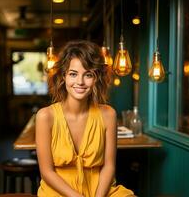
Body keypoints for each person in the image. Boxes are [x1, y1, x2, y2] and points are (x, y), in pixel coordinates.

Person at [36, 40, 135, 197]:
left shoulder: (109, 114)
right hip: (58, 191)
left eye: (88, 74)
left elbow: (109, 166)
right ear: (64, 76)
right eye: (73, 74)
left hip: (100, 189)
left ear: (96, 78)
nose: (80, 82)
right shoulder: (45, 116)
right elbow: (47, 172)